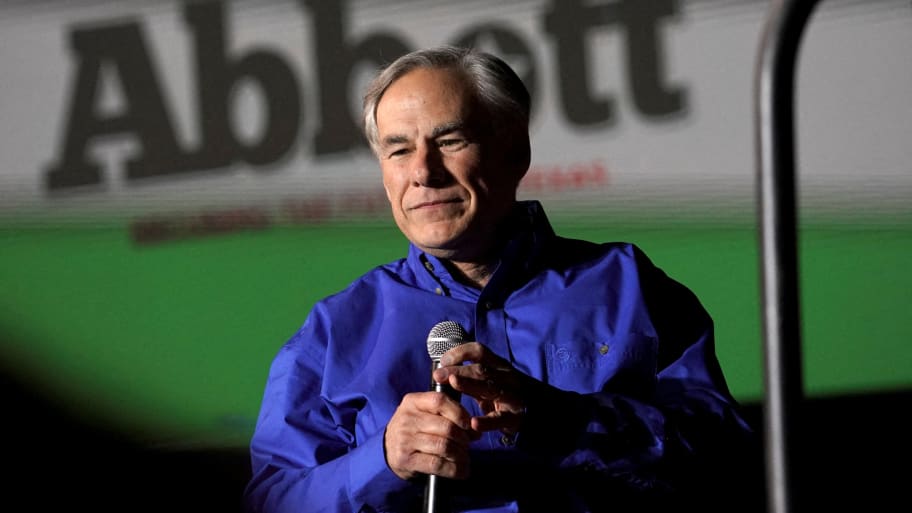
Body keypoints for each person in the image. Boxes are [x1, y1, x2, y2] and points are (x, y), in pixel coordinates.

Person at [243, 45, 761, 513]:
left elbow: (727, 457)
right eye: (399, 150)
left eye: (449, 140)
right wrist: (383, 462)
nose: (424, 171)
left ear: (515, 152)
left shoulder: (626, 286)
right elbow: (271, 501)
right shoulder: (334, 330)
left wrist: (559, 418)